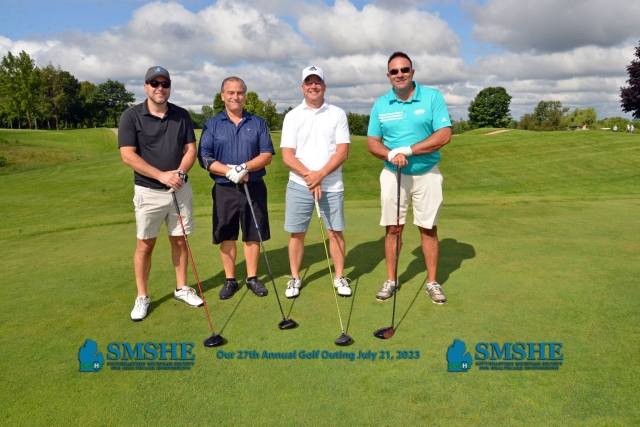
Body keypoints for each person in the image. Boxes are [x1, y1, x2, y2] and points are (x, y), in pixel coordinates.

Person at [366, 52, 452, 304]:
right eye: (394, 71)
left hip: (427, 172)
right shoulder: (381, 104)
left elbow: (444, 134)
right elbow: (372, 142)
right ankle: (391, 280)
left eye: (404, 69)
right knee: (393, 228)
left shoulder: (432, 97)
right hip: (394, 174)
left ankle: (432, 281)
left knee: (428, 228)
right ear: (388, 75)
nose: (400, 74)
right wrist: (391, 154)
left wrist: (409, 150)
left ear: (412, 72)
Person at [119, 66, 203, 321]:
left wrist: (181, 174)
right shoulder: (131, 116)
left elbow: (191, 149)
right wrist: (161, 176)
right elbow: (128, 155)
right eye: (154, 83)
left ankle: (181, 288)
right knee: (145, 244)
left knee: (180, 240)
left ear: (169, 87)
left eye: (164, 84)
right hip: (148, 191)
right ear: (146, 87)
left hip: (179, 189)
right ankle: (142, 296)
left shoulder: (181, 115)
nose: (160, 88)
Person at [198, 76, 275, 300]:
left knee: (252, 234)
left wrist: (244, 168)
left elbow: (267, 154)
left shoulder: (257, 122)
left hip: (254, 186)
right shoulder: (212, 124)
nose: (235, 96)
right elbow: (204, 157)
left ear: (245, 96)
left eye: (240, 92)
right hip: (224, 189)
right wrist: (228, 171)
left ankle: (252, 278)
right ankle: (230, 279)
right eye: (231, 92)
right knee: (227, 234)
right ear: (223, 95)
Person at [280, 66, 352, 299]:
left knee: (335, 232)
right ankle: (295, 277)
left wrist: (319, 175)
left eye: (317, 82)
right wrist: (310, 176)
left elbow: (342, 152)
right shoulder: (293, 116)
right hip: (299, 184)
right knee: (297, 233)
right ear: (303, 87)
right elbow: (287, 155)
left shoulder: (337, 113)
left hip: (331, 185)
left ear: (324, 86)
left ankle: (339, 276)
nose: (313, 86)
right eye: (309, 82)